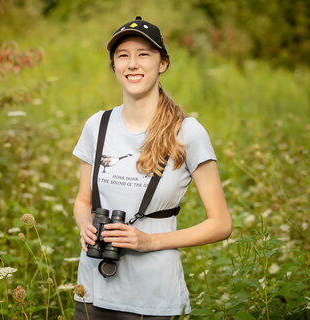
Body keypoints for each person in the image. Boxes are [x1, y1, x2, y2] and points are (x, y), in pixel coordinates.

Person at [72, 16, 232, 320]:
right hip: (92, 291)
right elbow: (83, 201)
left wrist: (149, 241)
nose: (133, 63)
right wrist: (86, 227)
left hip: (152, 299)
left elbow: (221, 223)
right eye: (123, 56)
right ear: (114, 67)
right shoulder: (98, 125)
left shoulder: (188, 133)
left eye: (143, 54)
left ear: (163, 64)